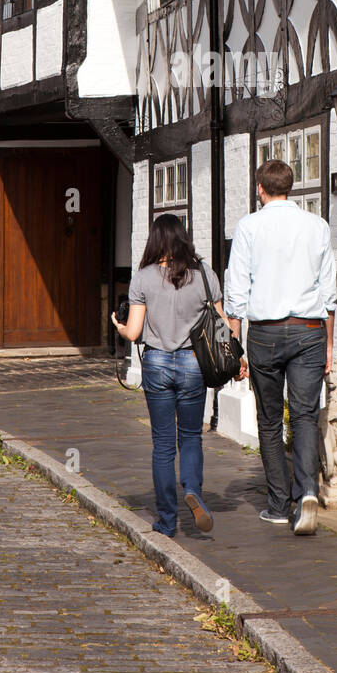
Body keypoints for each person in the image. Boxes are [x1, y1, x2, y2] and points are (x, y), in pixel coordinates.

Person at [225, 159, 337, 536]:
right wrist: (329, 344)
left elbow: (236, 292)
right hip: (309, 331)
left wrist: (233, 347)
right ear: (291, 187)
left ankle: (277, 504)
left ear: (260, 188)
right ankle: (306, 490)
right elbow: (328, 294)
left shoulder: (249, 227)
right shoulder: (316, 226)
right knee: (305, 416)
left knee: (270, 421)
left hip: (266, 335)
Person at [112, 214, 221, 539]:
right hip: (193, 363)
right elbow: (223, 324)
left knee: (162, 444)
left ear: (155, 240)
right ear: (183, 238)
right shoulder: (203, 275)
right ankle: (192, 489)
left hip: (158, 363)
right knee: (190, 436)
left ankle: (167, 520)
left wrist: (118, 326)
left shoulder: (143, 278)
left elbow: (133, 332)